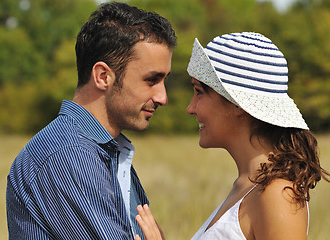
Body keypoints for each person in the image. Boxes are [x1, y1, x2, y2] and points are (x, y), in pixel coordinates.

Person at [6, 2, 177, 239]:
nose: (163, 97)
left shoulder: (106, 150)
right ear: (103, 76)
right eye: (151, 80)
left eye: (164, 80)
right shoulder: (70, 155)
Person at [135, 32, 330, 240]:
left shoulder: (277, 194)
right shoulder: (248, 186)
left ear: (237, 103)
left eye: (199, 92)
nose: (190, 108)